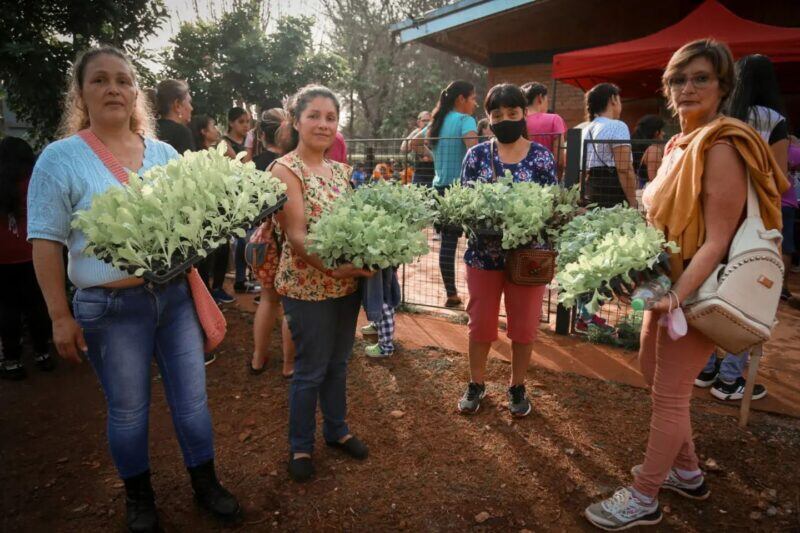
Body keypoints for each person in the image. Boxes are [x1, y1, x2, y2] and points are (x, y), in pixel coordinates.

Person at [27, 46, 241, 532]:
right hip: (111, 307)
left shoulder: (163, 153)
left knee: (192, 401)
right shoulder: (60, 159)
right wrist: (60, 316)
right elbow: (46, 243)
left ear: (136, 91)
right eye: (100, 80)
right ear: (81, 92)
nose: (113, 89)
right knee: (128, 412)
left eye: (123, 80)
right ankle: (139, 499)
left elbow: (193, 224)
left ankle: (206, 483)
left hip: (173, 299)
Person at [585, 39, 788, 530]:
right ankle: (688, 472)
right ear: (668, 88)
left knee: (671, 393)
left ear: (723, 86)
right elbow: (658, 221)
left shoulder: (722, 145)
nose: (688, 87)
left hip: (698, 287)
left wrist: (675, 298)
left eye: (701, 78)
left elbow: (716, 241)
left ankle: (644, 496)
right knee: (653, 373)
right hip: (664, 282)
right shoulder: (677, 144)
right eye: (679, 79)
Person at [272, 84, 373, 482]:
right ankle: (300, 445)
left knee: (338, 364)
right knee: (310, 369)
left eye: (330, 117)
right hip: (307, 287)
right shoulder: (285, 170)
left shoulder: (343, 173)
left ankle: (337, 431)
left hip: (344, 288)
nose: (323, 124)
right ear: (296, 121)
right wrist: (333, 269)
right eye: (314, 115)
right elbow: (296, 236)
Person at [694, 54, 792, 402]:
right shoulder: (773, 120)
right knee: (750, 294)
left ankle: (704, 367)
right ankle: (730, 378)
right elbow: (776, 181)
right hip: (755, 220)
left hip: (714, 214)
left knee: (710, 284)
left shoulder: (719, 117)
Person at [456, 83, 556, 417]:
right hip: (483, 257)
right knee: (480, 324)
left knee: (524, 327)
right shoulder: (477, 155)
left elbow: (552, 206)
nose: (505, 119)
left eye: (512, 113)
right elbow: (464, 203)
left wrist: (530, 224)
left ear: (523, 113)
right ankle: (476, 383)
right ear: (488, 118)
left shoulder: (542, 156)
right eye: (497, 115)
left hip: (528, 258)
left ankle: (516, 387)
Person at [0, 137, 55, 380]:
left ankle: (12, 361)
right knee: (37, 304)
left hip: (2, 258)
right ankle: (43, 354)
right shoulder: (34, 179)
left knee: (6, 309)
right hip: (31, 252)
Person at [250, 107, 295, 379]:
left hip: (263, 241)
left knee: (267, 299)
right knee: (290, 304)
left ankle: (258, 358)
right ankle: (289, 365)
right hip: (288, 241)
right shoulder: (290, 163)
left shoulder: (255, 163)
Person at [428, 80, 479, 307]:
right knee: (477, 242)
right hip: (463, 190)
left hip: (439, 189)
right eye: (473, 98)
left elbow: (410, 144)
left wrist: (436, 154)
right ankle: (478, 296)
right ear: (462, 99)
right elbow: (474, 149)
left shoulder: (437, 121)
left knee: (447, 243)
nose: (475, 103)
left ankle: (451, 293)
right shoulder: (465, 120)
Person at [189, 114, 235, 306]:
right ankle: (207, 292)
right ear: (203, 132)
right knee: (208, 254)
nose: (217, 129)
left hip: (220, 209)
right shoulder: (198, 155)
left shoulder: (216, 151)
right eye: (213, 126)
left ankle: (217, 288)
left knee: (222, 250)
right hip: (206, 211)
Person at [582, 83, 638, 207]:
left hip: (590, 190)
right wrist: (633, 202)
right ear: (613, 99)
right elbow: (624, 169)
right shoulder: (618, 126)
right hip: (614, 192)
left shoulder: (585, 129)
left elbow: (582, 170)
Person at [224, 107, 261, 296]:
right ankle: (239, 280)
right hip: (234, 196)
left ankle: (246, 277)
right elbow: (243, 166)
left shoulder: (250, 143)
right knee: (240, 237)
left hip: (249, 194)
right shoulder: (224, 143)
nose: (246, 125)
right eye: (241, 121)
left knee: (249, 236)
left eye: (248, 122)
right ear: (231, 123)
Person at [521, 81, 567, 168]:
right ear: (540, 98)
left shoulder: (517, 121)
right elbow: (559, 160)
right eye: (547, 99)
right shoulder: (554, 119)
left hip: (519, 175)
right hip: (546, 176)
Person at [360, 267, 401, 357]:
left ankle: (385, 348)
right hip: (381, 269)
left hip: (384, 268)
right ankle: (377, 326)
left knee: (384, 305)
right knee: (375, 296)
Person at [153, 79, 195, 154]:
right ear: (177, 105)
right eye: (189, 102)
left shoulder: (149, 128)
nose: (192, 108)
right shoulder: (182, 133)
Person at [632, 114, 666, 186]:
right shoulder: (653, 150)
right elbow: (654, 179)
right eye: (662, 130)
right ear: (656, 132)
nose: (664, 133)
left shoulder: (641, 148)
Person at [404, 111, 435, 188]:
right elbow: (404, 148)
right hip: (419, 173)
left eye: (429, 121)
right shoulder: (416, 133)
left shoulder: (434, 133)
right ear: (418, 122)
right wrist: (416, 132)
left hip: (434, 173)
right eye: (424, 121)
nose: (427, 123)